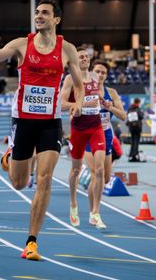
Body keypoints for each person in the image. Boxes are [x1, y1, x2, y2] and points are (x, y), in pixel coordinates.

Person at [0, 0, 83, 261]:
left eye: (44, 13)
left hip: (50, 123)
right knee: (19, 183)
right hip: (23, 121)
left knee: (44, 179)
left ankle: (32, 242)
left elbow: (79, 84)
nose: (39, 16)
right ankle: (10, 156)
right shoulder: (21, 44)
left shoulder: (67, 49)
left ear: (56, 19)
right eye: (37, 12)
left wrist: (78, 103)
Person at [60, 49, 108, 230]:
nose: (85, 59)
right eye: (81, 57)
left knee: (100, 169)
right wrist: (77, 105)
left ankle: (95, 213)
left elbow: (98, 98)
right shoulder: (70, 79)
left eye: (87, 56)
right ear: (74, 60)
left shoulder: (96, 79)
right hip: (78, 129)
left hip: (96, 127)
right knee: (75, 171)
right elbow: (62, 104)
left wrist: (104, 103)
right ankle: (73, 204)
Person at [83, 60, 126, 226]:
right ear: (92, 72)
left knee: (105, 177)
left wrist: (110, 107)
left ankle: (94, 206)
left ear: (106, 76)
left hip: (106, 135)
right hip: (89, 134)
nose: (100, 75)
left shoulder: (112, 93)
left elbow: (123, 116)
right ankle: (95, 213)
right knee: (97, 173)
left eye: (103, 72)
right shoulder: (84, 88)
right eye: (97, 71)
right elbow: (73, 109)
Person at [126, 98, 144, 162]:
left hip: (131, 127)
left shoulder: (129, 108)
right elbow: (141, 116)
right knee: (136, 141)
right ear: (138, 102)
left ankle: (131, 155)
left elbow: (127, 117)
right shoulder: (138, 109)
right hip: (137, 127)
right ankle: (135, 155)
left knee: (132, 141)